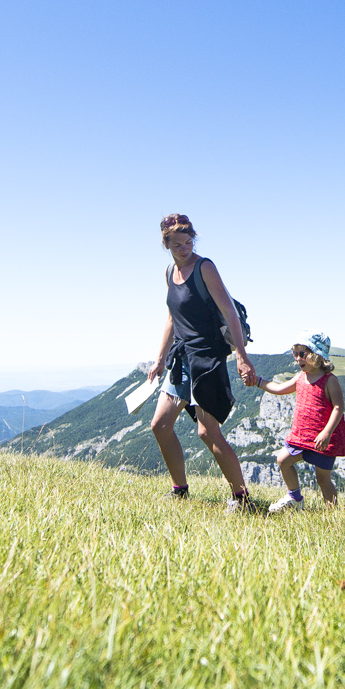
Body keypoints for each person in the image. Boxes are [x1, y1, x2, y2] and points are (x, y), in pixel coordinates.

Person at [148, 213, 256, 511]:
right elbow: (172, 317)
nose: (185, 249)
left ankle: (242, 498)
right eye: (178, 244)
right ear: (165, 244)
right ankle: (180, 490)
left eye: (189, 241)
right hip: (181, 358)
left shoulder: (204, 267)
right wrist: (159, 360)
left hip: (207, 358)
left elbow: (230, 312)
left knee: (207, 432)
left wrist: (242, 357)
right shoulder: (169, 272)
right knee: (160, 424)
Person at [244, 333, 345, 512]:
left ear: (316, 355)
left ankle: (333, 513)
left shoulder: (330, 381)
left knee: (323, 479)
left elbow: (338, 407)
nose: (297, 359)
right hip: (301, 435)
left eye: (302, 354)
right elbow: (279, 389)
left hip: (322, 440)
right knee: (283, 460)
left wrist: (326, 432)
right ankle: (295, 498)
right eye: (295, 354)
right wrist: (258, 382)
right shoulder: (300, 377)